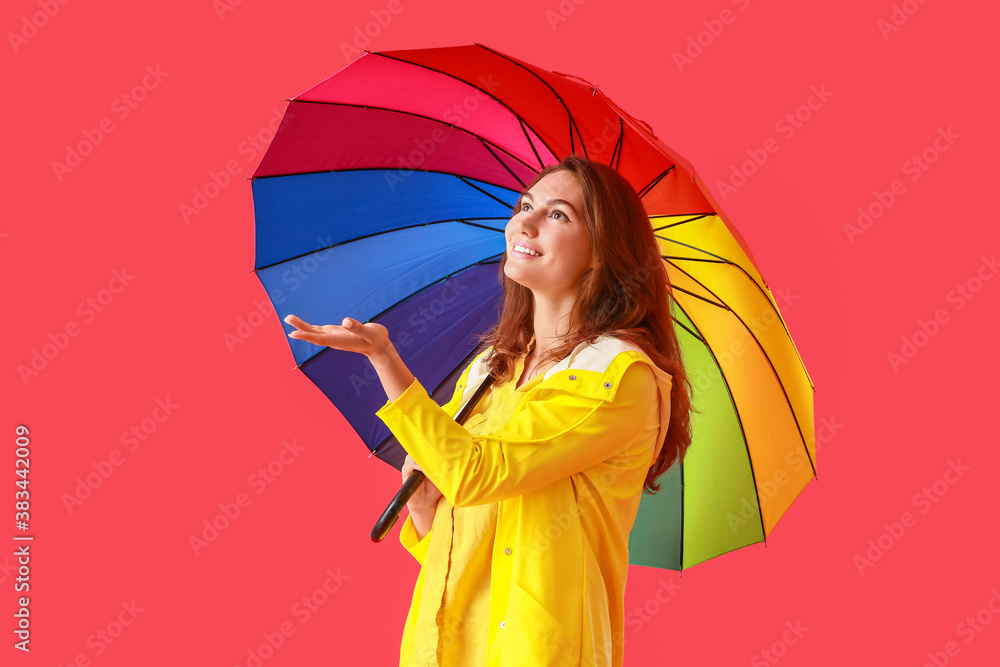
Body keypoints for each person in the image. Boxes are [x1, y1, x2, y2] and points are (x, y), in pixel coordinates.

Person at [284, 155, 692, 667]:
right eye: (526, 205)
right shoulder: (491, 369)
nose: (525, 221)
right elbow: (465, 533)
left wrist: (386, 361)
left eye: (559, 214)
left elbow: (478, 472)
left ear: (600, 254)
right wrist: (424, 507)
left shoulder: (617, 375)